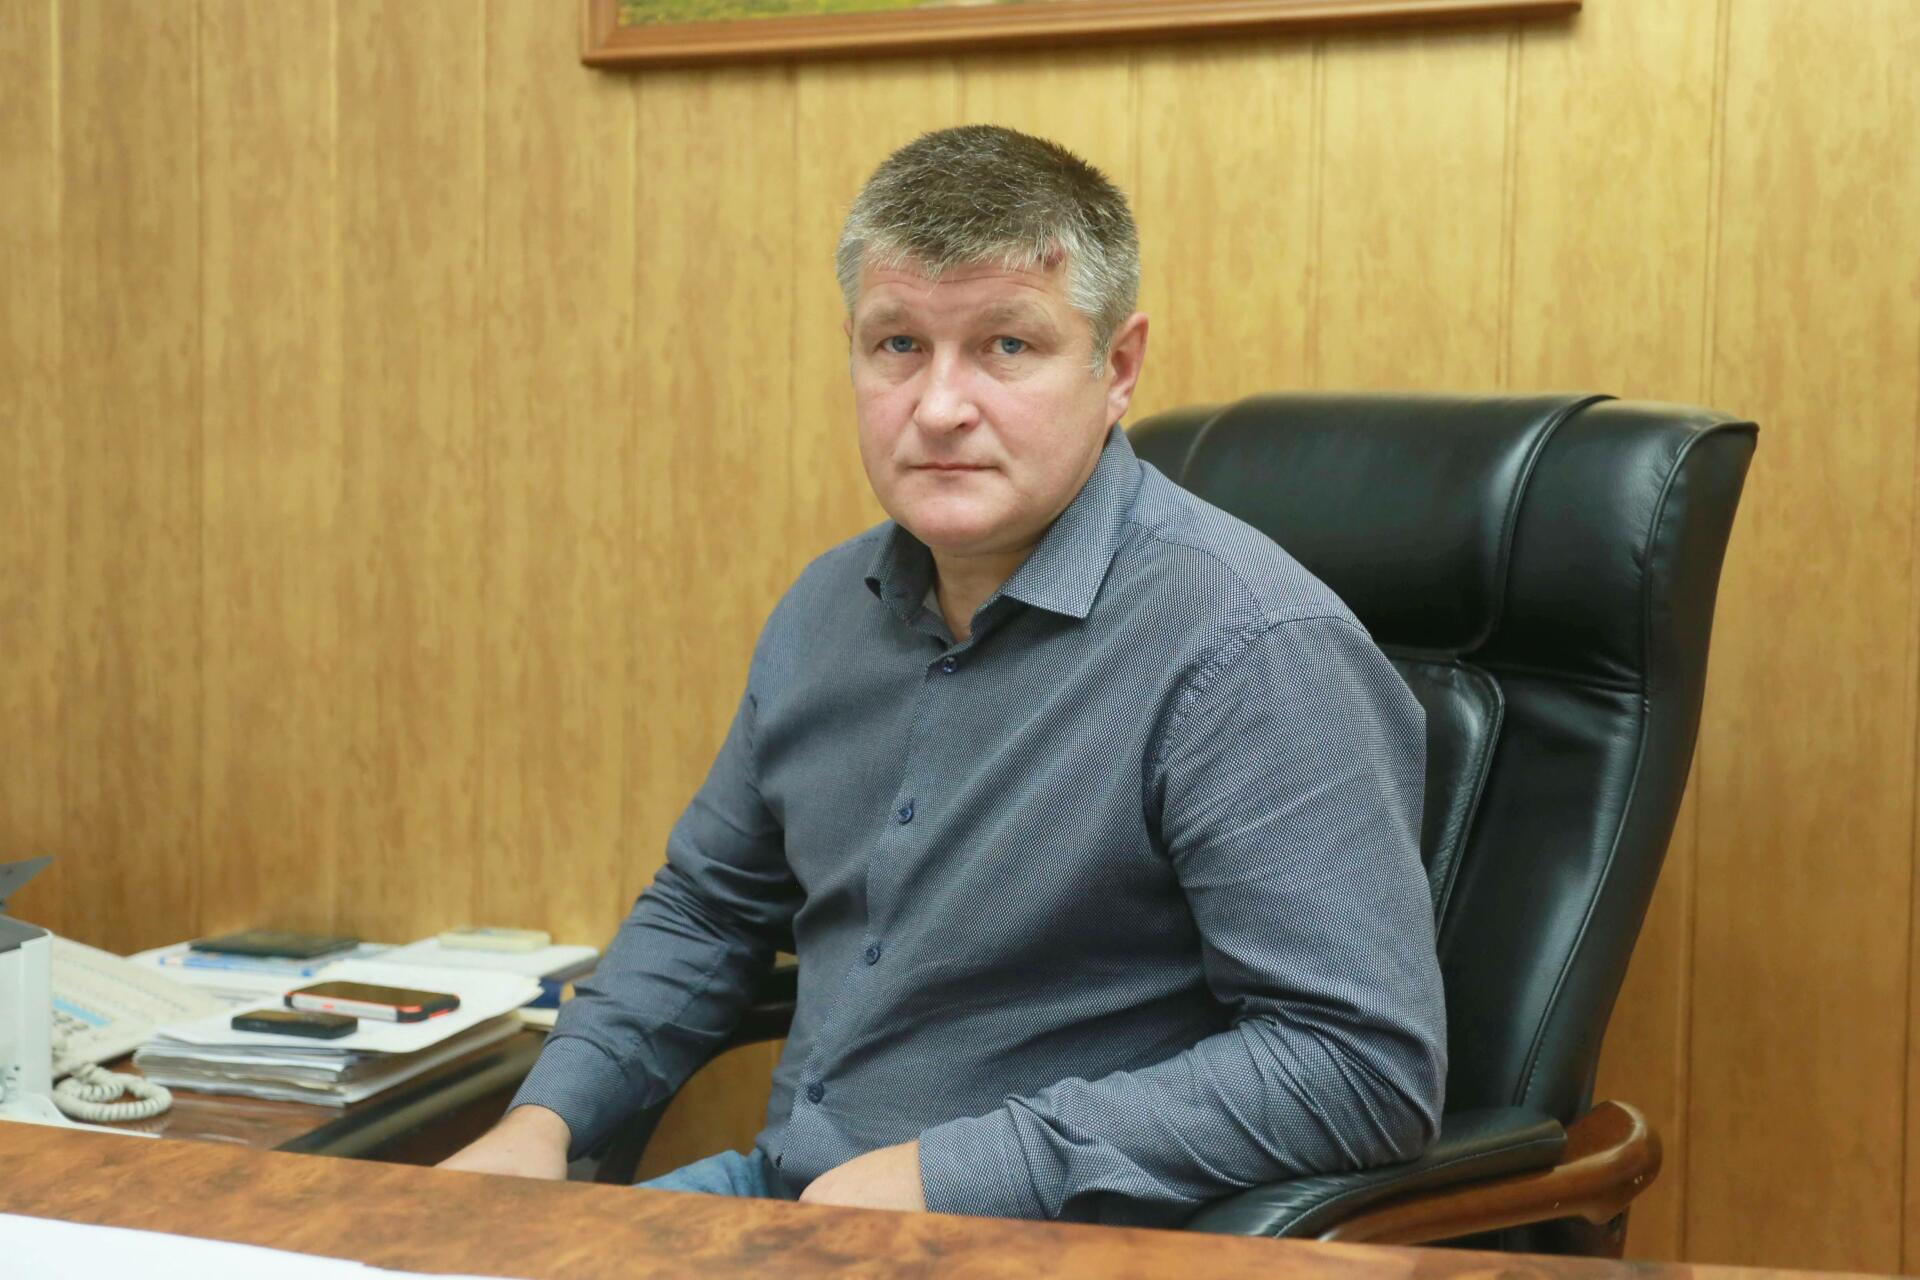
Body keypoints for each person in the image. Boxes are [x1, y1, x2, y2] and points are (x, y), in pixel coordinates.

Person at [441, 124, 1446, 1226]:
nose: (938, 406)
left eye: (1007, 345)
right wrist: (545, 1121)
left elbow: (1356, 1066)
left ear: (1116, 367)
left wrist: (947, 1174)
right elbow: (709, 908)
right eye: (899, 345)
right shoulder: (825, 608)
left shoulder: (1252, 646)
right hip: (792, 1203)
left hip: (1050, 1237)